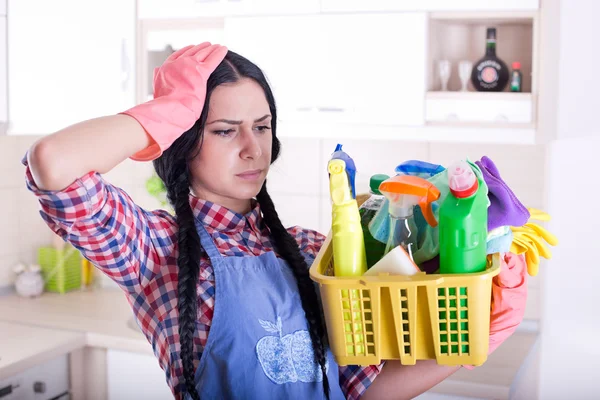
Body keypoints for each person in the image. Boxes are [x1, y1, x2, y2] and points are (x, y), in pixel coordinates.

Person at [24, 42, 528, 399]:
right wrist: (169, 110)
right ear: (180, 139)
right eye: (225, 130)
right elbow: (53, 163)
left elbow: (364, 390)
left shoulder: (313, 251)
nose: (252, 148)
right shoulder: (154, 248)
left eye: (262, 126)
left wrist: (474, 335)